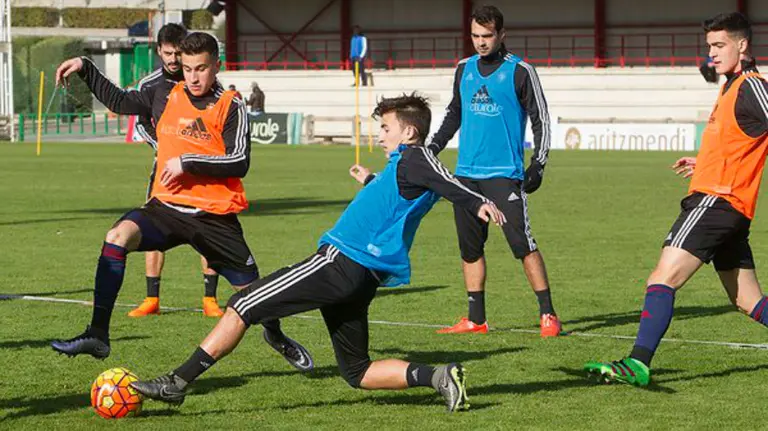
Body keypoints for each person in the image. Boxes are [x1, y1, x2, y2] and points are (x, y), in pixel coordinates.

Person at [129, 92, 506, 412]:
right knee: (357, 372)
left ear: (409, 132)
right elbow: (399, 200)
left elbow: (446, 180)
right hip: (362, 278)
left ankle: (176, 382)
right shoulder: (405, 167)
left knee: (242, 304)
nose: (380, 137)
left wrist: (477, 203)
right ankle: (439, 376)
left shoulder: (416, 158)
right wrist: (373, 180)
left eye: (386, 129)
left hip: (340, 263)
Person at [49, 32, 314, 373]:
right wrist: (86, 67)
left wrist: (187, 161)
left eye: (201, 68)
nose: (193, 76)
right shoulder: (165, 93)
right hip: (167, 208)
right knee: (117, 237)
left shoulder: (230, 104)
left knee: (253, 294)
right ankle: (98, 333)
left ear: (216, 66)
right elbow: (119, 102)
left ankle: (275, 335)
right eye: (188, 68)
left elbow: (239, 161)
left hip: (213, 217)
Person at [584, 12, 768, 386]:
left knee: (662, 277)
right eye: (709, 47)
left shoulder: (751, 85)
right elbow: (741, 142)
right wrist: (705, 162)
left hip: (717, 202)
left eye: (719, 46)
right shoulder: (731, 85)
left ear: (742, 45)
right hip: (727, 205)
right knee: (748, 301)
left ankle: (637, 363)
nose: (711, 55)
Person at [428, 5, 561, 337]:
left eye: (487, 36)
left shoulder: (520, 71)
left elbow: (540, 118)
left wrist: (538, 164)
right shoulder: (463, 69)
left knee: (522, 244)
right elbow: (454, 113)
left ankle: (548, 315)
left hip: (504, 174)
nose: (480, 42)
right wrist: (432, 148)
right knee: (470, 249)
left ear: (502, 35)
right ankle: (476, 319)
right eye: (475, 35)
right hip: (466, 175)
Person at [127, 23, 225, 319]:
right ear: (159, 51)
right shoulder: (149, 85)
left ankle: (210, 299)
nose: (172, 60)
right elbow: (141, 121)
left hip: (201, 171)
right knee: (153, 229)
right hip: (164, 171)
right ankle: (151, 298)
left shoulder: (206, 84)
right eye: (167, 53)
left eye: (177, 54)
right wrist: (161, 145)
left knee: (208, 230)